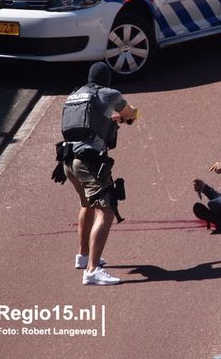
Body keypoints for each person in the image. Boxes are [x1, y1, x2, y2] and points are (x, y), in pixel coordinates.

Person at [60, 62, 138, 286]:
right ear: (108, 79)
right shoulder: (110, 93)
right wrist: (131, 115)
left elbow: (91, 123)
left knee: (86, 205)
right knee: (106, 211)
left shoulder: (76, 94)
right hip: (90, 162)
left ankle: (83, 257)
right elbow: (129, 113)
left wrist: (112, 121)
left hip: (68, 160)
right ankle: (92, 271)